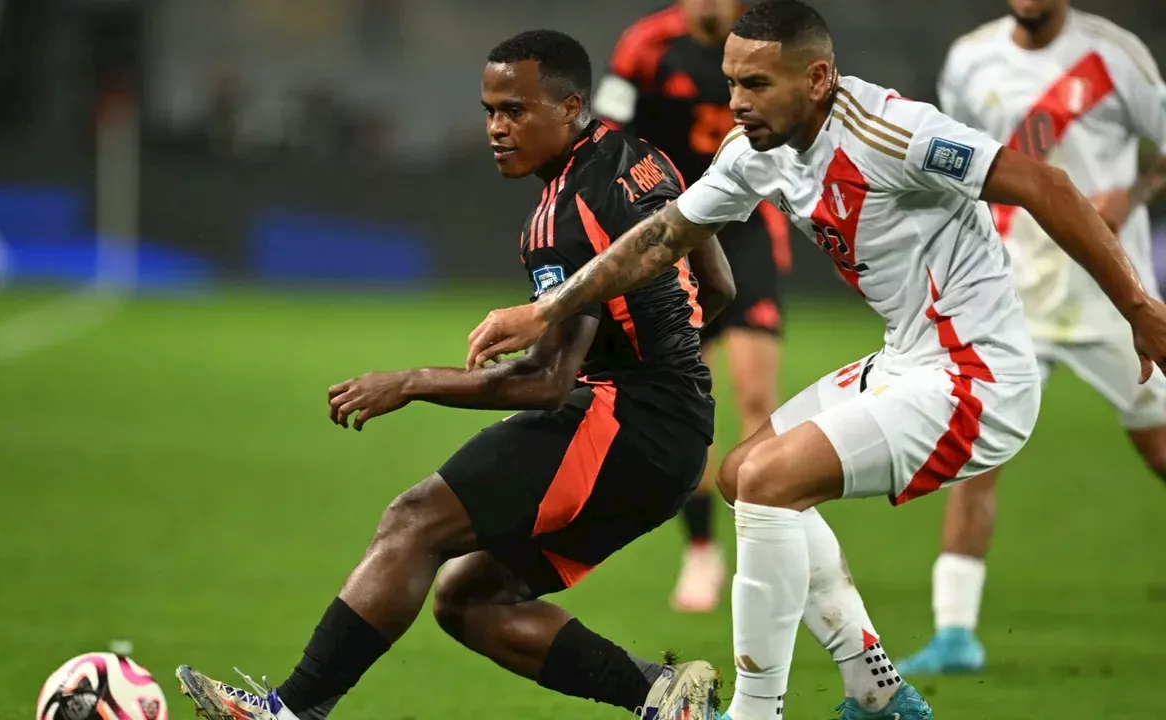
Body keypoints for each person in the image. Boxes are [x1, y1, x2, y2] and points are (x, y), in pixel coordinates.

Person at [464, 2, 1166, 718]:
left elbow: (1044, 184)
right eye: (733, 82)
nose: (737, 101)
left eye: (758, 85)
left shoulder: (894, 133)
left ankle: (755, 712)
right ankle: (875, 689)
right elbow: (659, 237)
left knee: (769, 483)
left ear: (819, 78)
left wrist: (1141, 309)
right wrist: (547, 310)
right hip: (907, 360)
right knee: (742, 476)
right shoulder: (751, 151)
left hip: (975, 378)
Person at [173, 29, 735, 720]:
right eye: (490, 110)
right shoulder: (646, 160)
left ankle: (288, 712)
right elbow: (719, 287)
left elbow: (543, 384)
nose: (497, 128)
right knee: (470, 599)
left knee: (413, 521)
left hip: (624, 424)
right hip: (675, 439)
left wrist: (408, 382)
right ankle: (663, 697)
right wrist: (649, 344)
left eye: (516, 110)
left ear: (568, 108)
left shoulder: (559, 217)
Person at [896, 0, 1166, 676]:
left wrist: (1132, 195)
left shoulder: (1115, 54)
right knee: (977, 456)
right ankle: (954, 635)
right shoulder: (969, 60)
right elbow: (954, 168)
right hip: (1008, 295)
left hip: (1109, 299)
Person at [594, 0, 793, 613]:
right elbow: (606, 132)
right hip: (675, 230)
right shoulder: (646, 46)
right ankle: (702, 551)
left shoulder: (763, 42)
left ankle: (773, 550)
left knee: (757, 397)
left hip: (748, 226)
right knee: (691, 399)